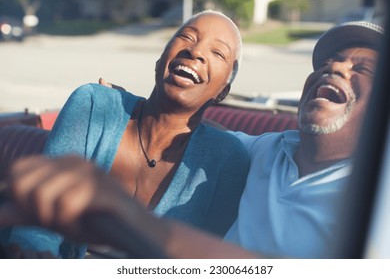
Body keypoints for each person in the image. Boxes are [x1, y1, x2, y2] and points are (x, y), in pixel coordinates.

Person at [0, 20, 384, 259]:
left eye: (362, 69)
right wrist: (116, 104)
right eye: (326, 64)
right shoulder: (264, 150)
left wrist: (132, 222)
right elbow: (182, 126)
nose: (334, 67)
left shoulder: (377, 201)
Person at [0, 10, 250, 258]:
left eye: (218, 53)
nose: (196, 52)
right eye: (187, 37)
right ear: (160, 59)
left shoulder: (228, 159)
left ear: (222, 92)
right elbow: (37, 227)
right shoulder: (94, 104)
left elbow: (200, 263)